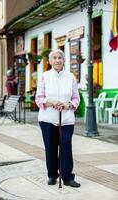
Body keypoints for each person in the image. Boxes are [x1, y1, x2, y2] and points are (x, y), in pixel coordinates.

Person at [35, 49, 81, 188]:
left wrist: (67, 105)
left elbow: (76, 98)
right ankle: (52, 175)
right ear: (50, 61)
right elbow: (39, 99)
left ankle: (67, 177)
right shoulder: (44, 76)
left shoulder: (70, 77)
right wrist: (52, 102)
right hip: (47, 119)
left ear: (64, 60)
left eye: (59, 57)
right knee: (51, 147)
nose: (57, 60)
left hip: (66, 119)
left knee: (66, 145)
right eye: (54, 58)